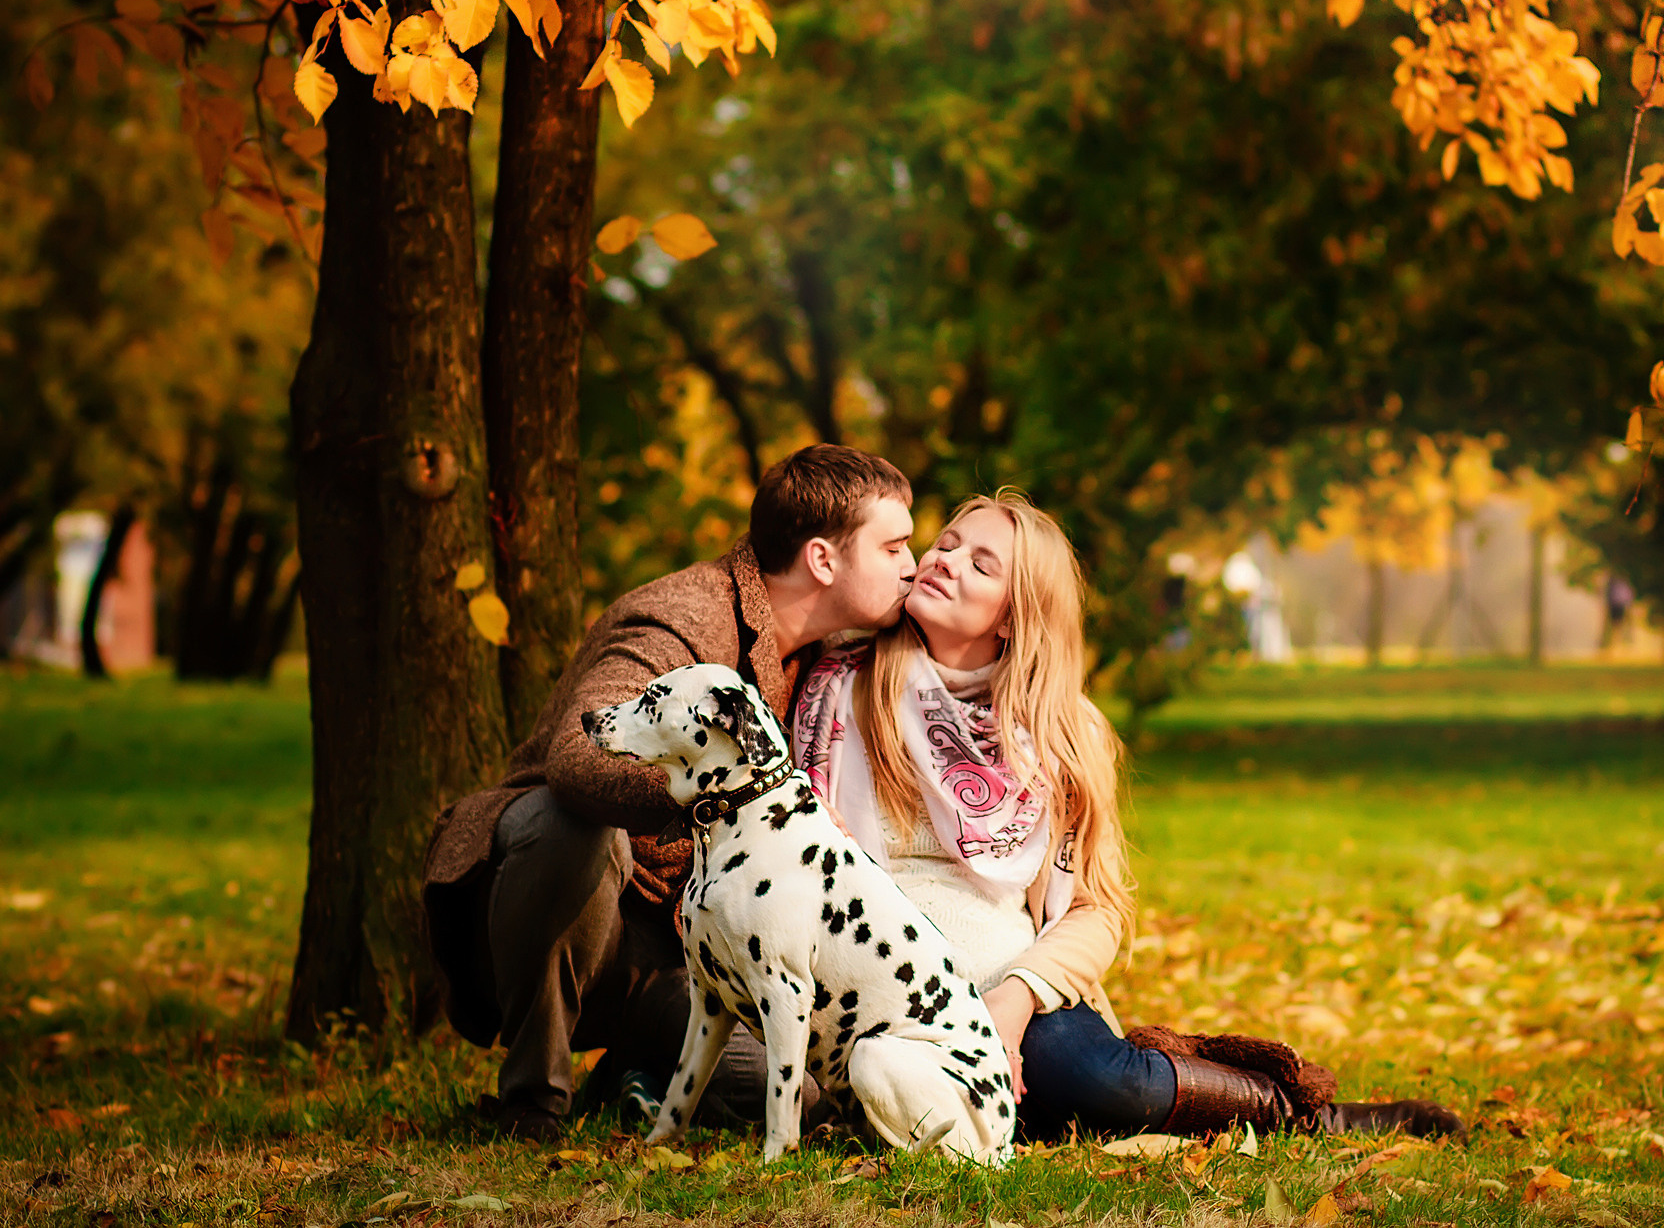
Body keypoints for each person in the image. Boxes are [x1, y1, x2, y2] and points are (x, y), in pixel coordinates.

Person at [790, 491, 1462, 1141]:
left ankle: (1295, 1111)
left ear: (1011, 616)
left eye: (981, 563)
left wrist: (1014, 1000)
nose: (943, 559)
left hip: (1006, 984)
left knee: (1090, 1076)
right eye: (947, 542)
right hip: (873, 987)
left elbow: (1097, 908)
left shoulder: (1062, 734)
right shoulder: (839, 689)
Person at [421, 445, 918, 1141]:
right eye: (894, 544)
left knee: (790, 1093)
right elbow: (576, 757)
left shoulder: (824, 653)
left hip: (679, 946)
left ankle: (637, 1070)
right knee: (568, 825)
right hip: (554, 914)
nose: (912, 563)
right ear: (822, 559)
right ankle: (533, 1101)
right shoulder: (680, 619)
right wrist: (737, 796)